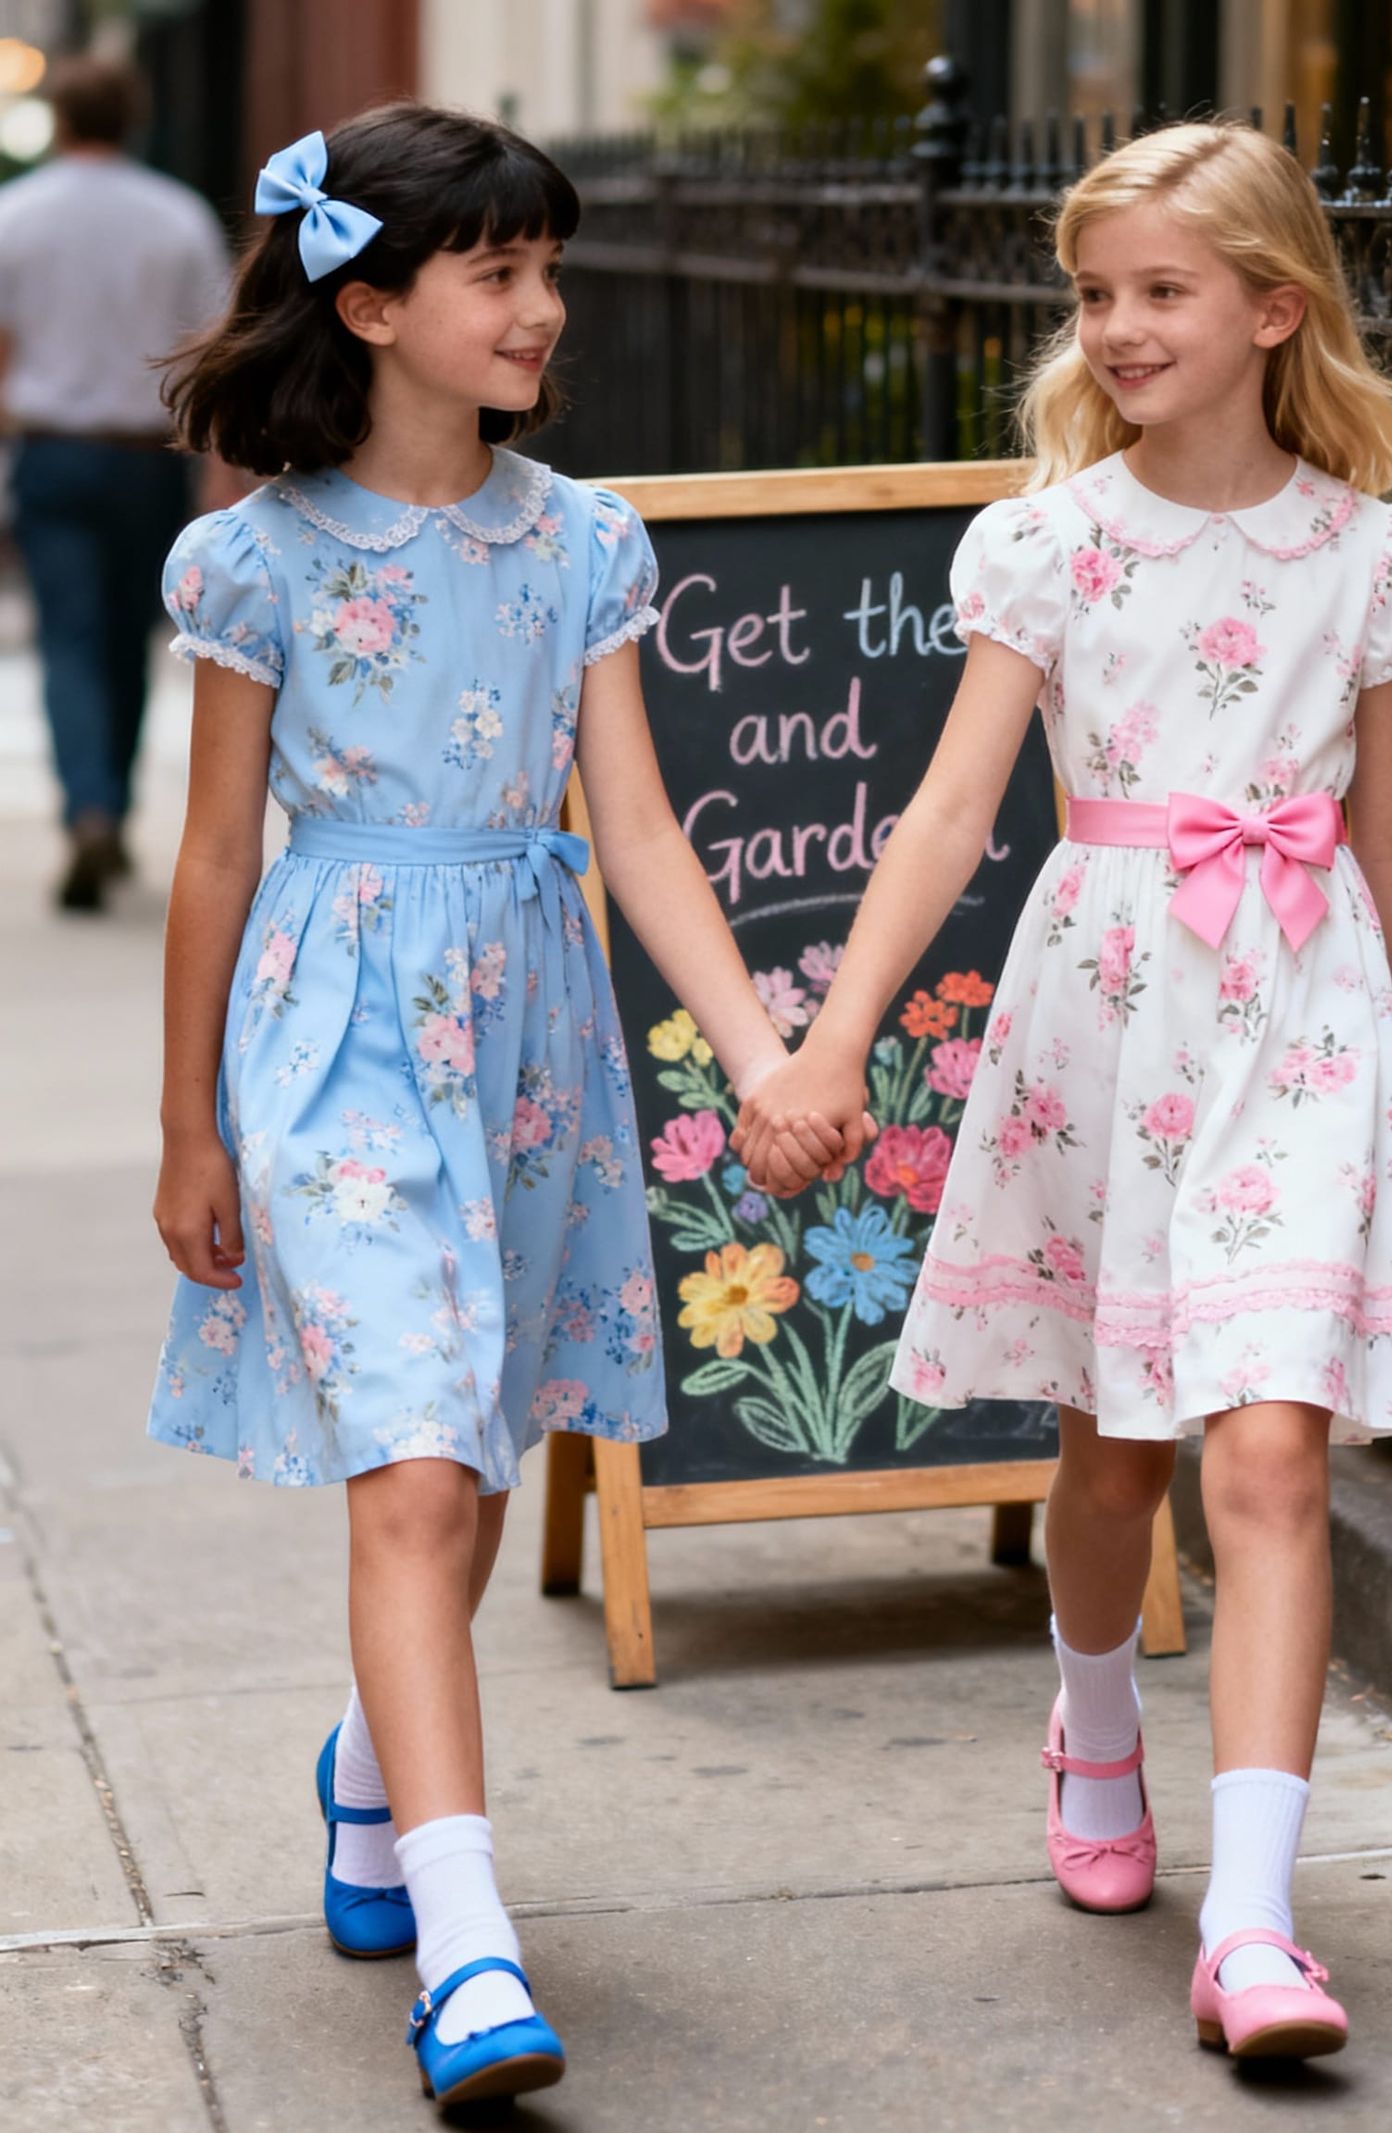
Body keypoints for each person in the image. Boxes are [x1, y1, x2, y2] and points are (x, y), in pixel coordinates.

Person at [734, 121, 1392, 2063]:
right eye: (1095, 295)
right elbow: (950, 811)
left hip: (1303, 1017)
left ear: (1268, 306)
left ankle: (1248, 1924)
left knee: (1267, 1458)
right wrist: (827, 1038)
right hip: (1110, 1024)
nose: (1118, 326)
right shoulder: (1049, 541)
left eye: (1160, 290)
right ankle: (1088, 1707)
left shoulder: (1375, 557)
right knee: (1113, 1459)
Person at [147, 103, 856, 2111]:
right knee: (409, 1455)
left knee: (459, 1437)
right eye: (498, 273)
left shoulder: (584, 542)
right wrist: (193, 1129)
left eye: (548, 271)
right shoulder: (248, 560)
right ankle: (469, 1945)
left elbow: (633, 823)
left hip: (527, 1032)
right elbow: (213, 857)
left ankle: (372, 1774)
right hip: (334, 1032)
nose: (542, 308)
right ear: (367, 303)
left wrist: (750, 1040)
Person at [0, 53, 231, 911]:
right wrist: (222, 467)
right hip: (149, 454)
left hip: (52, 449)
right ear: (133, 119)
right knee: (131, 640)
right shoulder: (176, 219)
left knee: (66, 635)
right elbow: (213, 352)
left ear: (58, 120)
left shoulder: (14, 215)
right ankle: (114, 809)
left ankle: (87, 808)